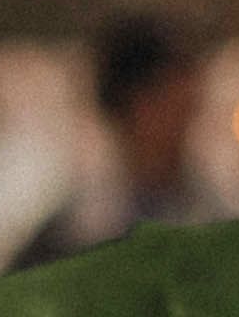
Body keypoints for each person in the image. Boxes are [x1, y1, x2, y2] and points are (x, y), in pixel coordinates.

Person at [40, 13, 218, 254]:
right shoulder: (71, 236)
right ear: (132, 106)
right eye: (169, 104)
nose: (187, 123)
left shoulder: (219, 221)